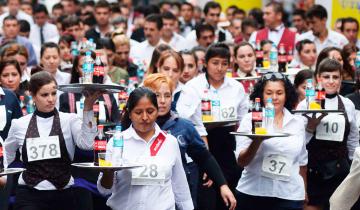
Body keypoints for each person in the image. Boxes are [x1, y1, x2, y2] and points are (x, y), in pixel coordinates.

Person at [3, 71, 102, 210]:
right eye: (44, 95)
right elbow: (7, 153)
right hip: (28, 195)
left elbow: (88, 144)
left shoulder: (69, 119)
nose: (50, 99)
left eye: (53, 93)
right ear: (32, 95)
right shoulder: (19, 124)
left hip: (64, 194)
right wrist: (4, 177)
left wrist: (88, 108)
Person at [143, 73, 236, 210]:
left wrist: (223, 185)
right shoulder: (135, 126)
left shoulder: (184, 126)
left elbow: (204, 157)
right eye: (157, 95)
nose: (162, 100)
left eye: (167, 95)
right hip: (144, 195)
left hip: (177, 195)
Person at [97, 87, 194, 210]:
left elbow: (180, 186)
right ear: (129, 114)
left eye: (150, 111)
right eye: (138, 112)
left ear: (157, 111)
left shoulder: (170, 142)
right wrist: (108, 172)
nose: (145, 117)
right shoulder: (116, 142)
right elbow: (104, 190)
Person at [177, 43, 248, 210]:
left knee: (229, 200)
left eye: (224, 64)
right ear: (205, 63)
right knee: (206, 199)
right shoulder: (193, 87)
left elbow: (244, 120)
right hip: (201, 145)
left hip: (227, 146)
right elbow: (183, 117)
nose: (220, 68)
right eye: (215, 63)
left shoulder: (236, 87)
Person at [236, 72, 307, 210]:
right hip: (253, 193)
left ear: (286, 95)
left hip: (290, 195)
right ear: (261, 95)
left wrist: (304, 189)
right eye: (269, 93)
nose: (274, 98)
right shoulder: (250, 119)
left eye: (279, 93)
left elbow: (302, 161)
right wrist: (257, 141)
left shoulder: (297, 123)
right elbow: (241, 161)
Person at [297, 58, 359, 210]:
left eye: (335, 77)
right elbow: (297, 143)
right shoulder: (305, 104)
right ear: (318, 78)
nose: (331, 81)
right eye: (326, 77)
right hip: (314, 171)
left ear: (341, 79)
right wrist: (311, 127)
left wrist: (353, 169)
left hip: (340, 171)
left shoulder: (348, 104)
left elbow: (353, 140)